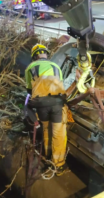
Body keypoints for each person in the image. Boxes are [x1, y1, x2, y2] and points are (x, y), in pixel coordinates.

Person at [25, 44, 68, 176]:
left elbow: (29, 90)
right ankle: (58, 165)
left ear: (34, 56)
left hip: (40, 104)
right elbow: (60, 85)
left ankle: (47, 154)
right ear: (46, 54)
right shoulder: (56, 67)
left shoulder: (30, 68)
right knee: (58, 133)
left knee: (46, 129)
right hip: (56, 104)